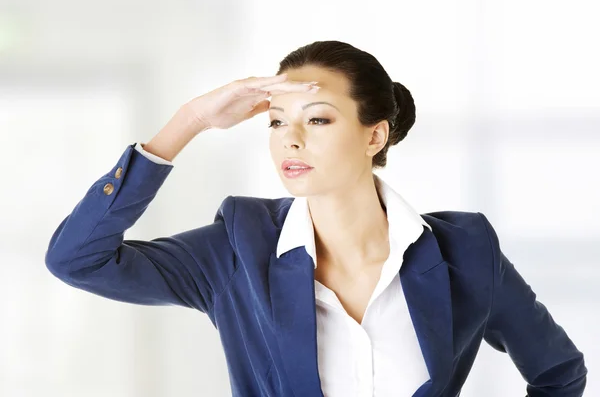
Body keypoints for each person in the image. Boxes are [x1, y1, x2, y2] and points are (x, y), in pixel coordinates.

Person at [45, 40, 587, 397]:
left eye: (319, 119)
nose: (291, 138)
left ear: (374, 135)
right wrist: (191, 121)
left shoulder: (466, 251)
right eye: (276, 121)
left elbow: (559, 373)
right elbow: (77, 259)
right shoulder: (236, 251)